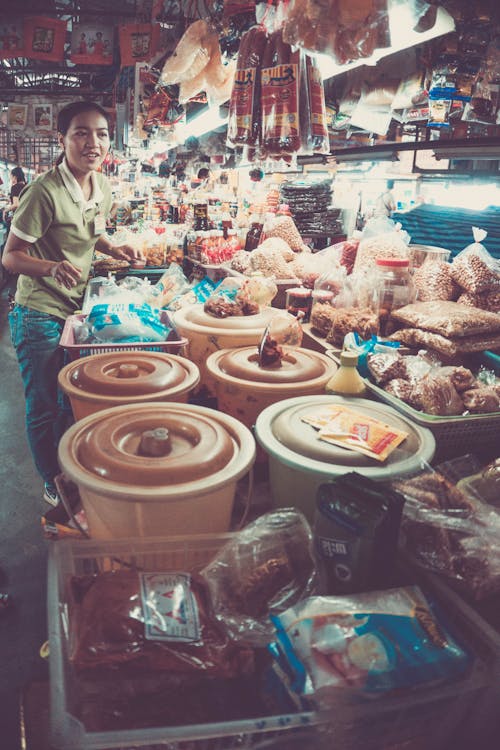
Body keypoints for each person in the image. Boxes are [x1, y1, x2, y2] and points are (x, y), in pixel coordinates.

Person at [2, 100, 144, 508]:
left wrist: (116, 248)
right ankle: (52, 480)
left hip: (75, 309)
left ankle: (68, 465)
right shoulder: (42, 192)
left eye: (101, 134)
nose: (93, 143)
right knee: (44, 401)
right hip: (37, 313)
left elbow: (91, 230)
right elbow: (10, 257)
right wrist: (49, 267)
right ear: (61, 139)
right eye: (81, 133)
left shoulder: (102, 186)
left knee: (71, 395)